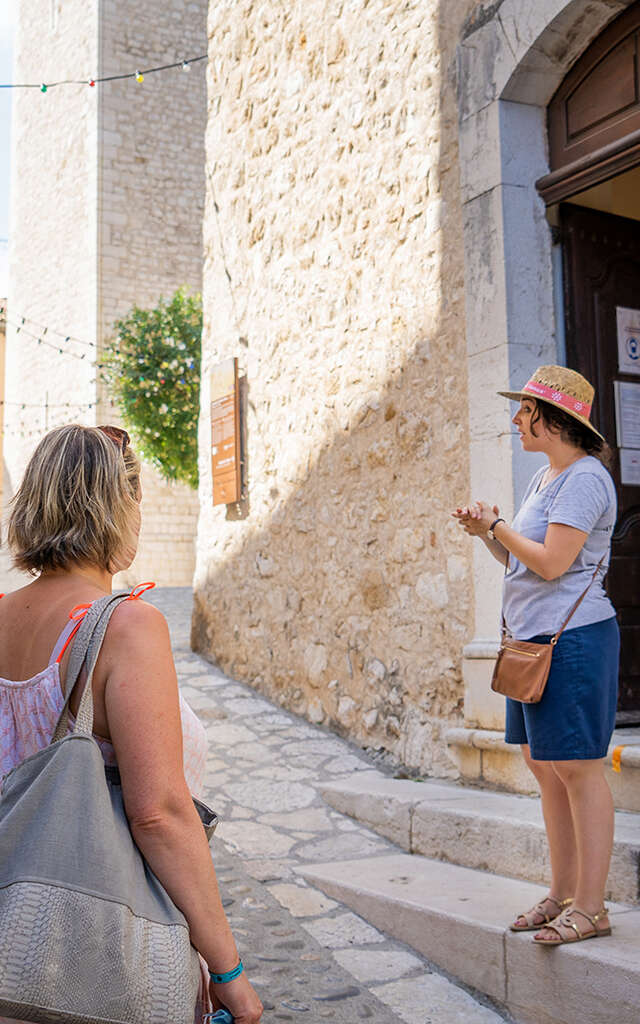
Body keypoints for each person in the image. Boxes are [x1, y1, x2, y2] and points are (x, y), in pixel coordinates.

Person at [0, 424, 263, 1023]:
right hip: (100, 944)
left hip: (11, 932)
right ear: (121, 505)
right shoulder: (125, 628)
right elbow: (159, 814)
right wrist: (229, 971)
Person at [452, 366, 619, 946]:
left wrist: (498, 524)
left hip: (573, 641)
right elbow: (524, 561)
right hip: (531, 641)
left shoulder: (586, 478)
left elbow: (552, 564)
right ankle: (562, 894)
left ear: (556, 419)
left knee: (577, 769)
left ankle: (592, 908)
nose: (516, 420)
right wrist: (488, 533)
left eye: (525, 410)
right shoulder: (545, 478)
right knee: (544, 768)